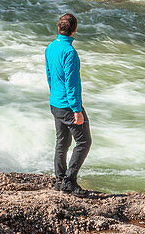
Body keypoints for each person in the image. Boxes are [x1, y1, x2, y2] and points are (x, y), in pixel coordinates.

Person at [44, 12, 91, 196]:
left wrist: (55, 95)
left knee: (62, 142)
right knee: (84, 141)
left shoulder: (50, 47)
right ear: (75, 30)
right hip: (68, 105)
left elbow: (49, 75)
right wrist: (76, 110)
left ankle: (59, 179)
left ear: (58, 28)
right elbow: (72, 84)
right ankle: (69, 181)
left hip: (55, 103)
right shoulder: (70, 52)